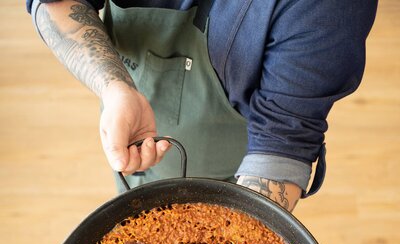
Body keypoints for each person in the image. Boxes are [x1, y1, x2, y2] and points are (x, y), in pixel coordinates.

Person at [27, 0, 377, 212]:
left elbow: (283, 140)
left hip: (242, 158)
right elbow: (56, 3)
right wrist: (114, 87)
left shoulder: (331, 8)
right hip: (135, 125)